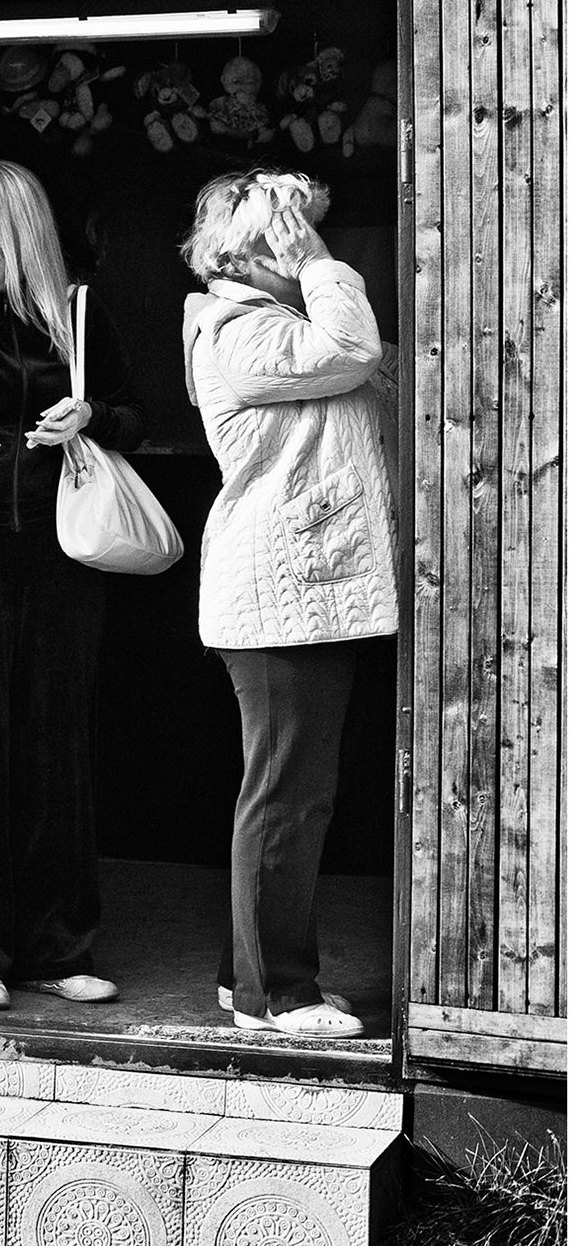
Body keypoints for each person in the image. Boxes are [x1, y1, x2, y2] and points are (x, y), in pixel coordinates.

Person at [0, 159, 146, 1009]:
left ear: (20, 228)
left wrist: (92, 416)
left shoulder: (76, 314)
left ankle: (57, 947)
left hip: (60, 551)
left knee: (55, 748)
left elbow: (134, 413)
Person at [179, 168, 396, 1040]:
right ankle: (280, 995)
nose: (299, 244)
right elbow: (357, 351)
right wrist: (320, 262)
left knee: (290, 791)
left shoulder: (269, 326)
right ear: (247, 251)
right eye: (285, 234)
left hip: (300, 590)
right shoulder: (241, 332)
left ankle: (248, 977)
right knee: (284, 797)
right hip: (280, 595)